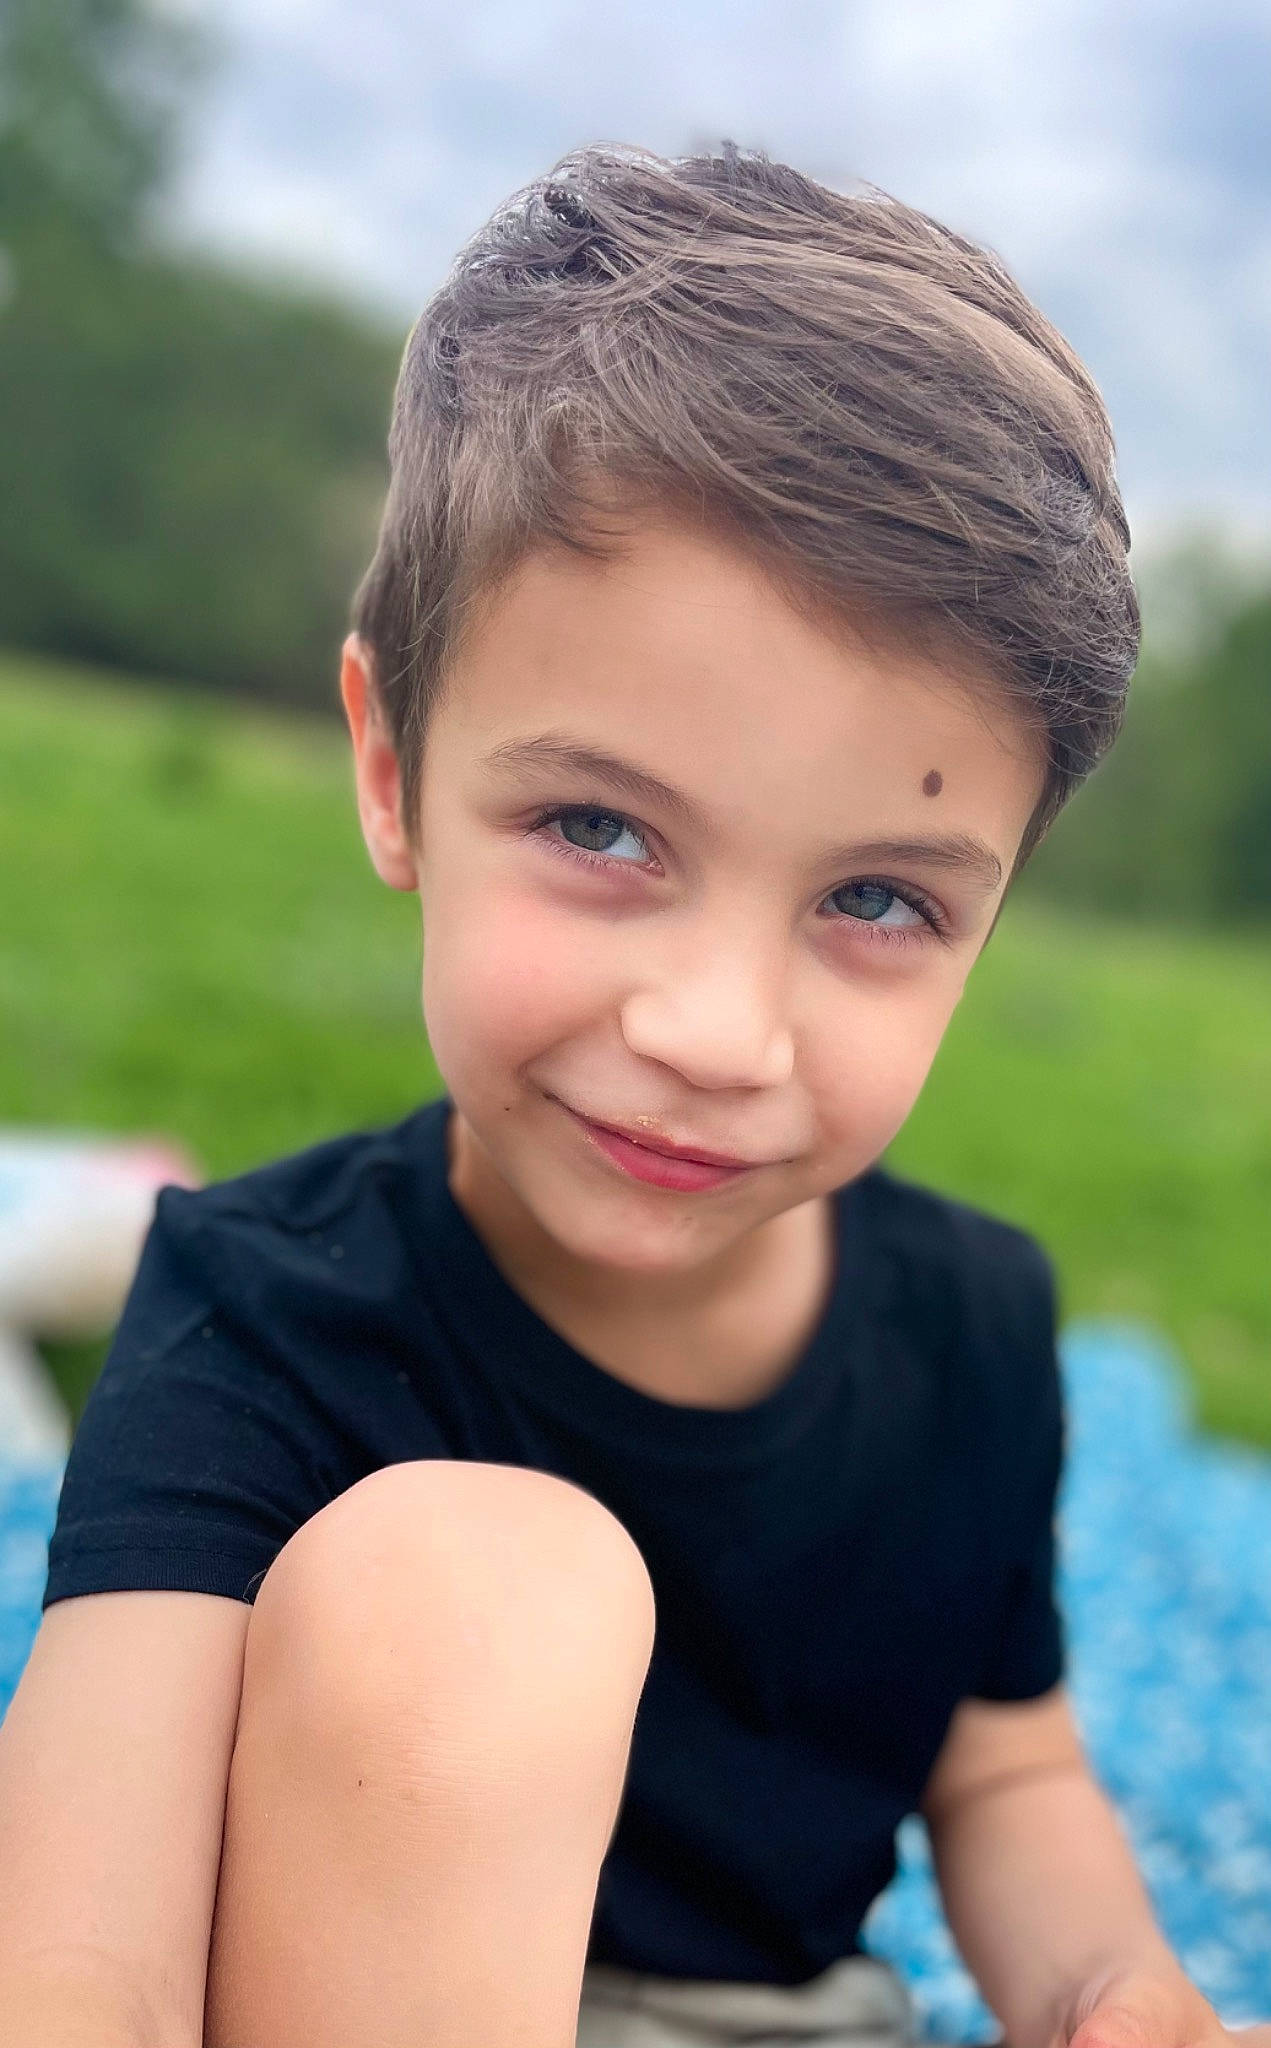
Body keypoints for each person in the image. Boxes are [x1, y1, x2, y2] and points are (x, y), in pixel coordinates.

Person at [0, 141, 1257, 2048]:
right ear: (397, 770)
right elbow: (75, 1957)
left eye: (876, 900)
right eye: (602, 827)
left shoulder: (974, 1326)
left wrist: (1107, 1988)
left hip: (800, 2016)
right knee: (482, 1582)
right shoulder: (256, 1314)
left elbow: (1003, 1782)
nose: (717, 1028)